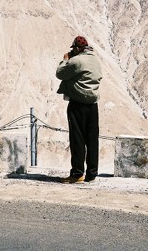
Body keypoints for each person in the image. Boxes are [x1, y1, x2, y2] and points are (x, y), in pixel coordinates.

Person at [56, 36, 102, 184]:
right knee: (92, 139)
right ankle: (92, 174)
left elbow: (60, 73)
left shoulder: (76, 61)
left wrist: (65, 59)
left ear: (76, 48)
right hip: (93, 104)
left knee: (78, 139)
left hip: (78, 104)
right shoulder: (95, 60)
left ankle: (77, 174)